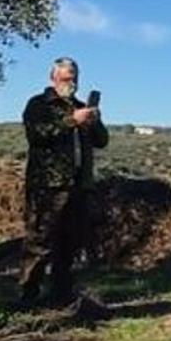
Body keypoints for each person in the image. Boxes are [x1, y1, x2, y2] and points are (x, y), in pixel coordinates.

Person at [18, 56, 108, 308]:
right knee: (40, 241)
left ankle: (61, 294)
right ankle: (28, 295)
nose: (72, 83)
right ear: (53, 78)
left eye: (75, 78)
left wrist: (94, 121)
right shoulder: (39, 104)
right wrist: (72, 121)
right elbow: (37, 135)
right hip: (48, 185)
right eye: (67, 78)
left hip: (78, 185)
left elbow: (102, 141)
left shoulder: (80, 106)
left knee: (69, 242)